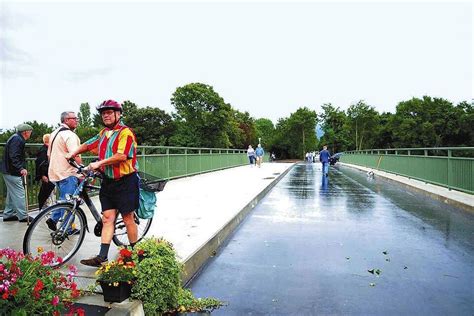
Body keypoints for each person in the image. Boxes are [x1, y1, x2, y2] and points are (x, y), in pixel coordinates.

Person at [67, 100, 139, 267]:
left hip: (126, 181)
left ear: (118, 114)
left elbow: (122, 156)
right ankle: (102, 256)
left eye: (109, 112)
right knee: (107, 218)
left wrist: (99, 163)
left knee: (128, 217)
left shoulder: (125, 133)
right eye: (103, 113)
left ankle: (136, 254)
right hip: (108, 183)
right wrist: (73, 152)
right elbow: (88, 144)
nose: (106, 115)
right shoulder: (103, 133)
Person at [46, 112, 82, 231]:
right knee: (69, 202)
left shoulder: (54, 133)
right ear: (66, 120)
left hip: (55, 171)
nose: (77, 120)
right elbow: (75, 154)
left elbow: (48, 154)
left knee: (64, 198)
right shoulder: (69, 135)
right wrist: (82, 168)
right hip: (68, 172)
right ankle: (62, 225)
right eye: (74, 118)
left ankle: (59, 222)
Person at [0, 123, 34, 223]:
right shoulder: (17, 140)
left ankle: (8, 214)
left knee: (12, 193)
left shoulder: (15, 138)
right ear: (26, 132)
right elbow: (14, 156)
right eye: (30, 132)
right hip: (12, 171)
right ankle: (23, 216)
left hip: (8, 170)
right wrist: (20, 168)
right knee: (20, 192)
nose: (30, 134)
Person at [35, 134, 55, 209]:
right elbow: (41, 164)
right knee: (46, 191)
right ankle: (45, 208)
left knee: (47, 191)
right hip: (46, 174)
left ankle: (46, 207)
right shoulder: (44, 150)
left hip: (48, 174)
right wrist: (43, 175)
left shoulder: (46, 149)